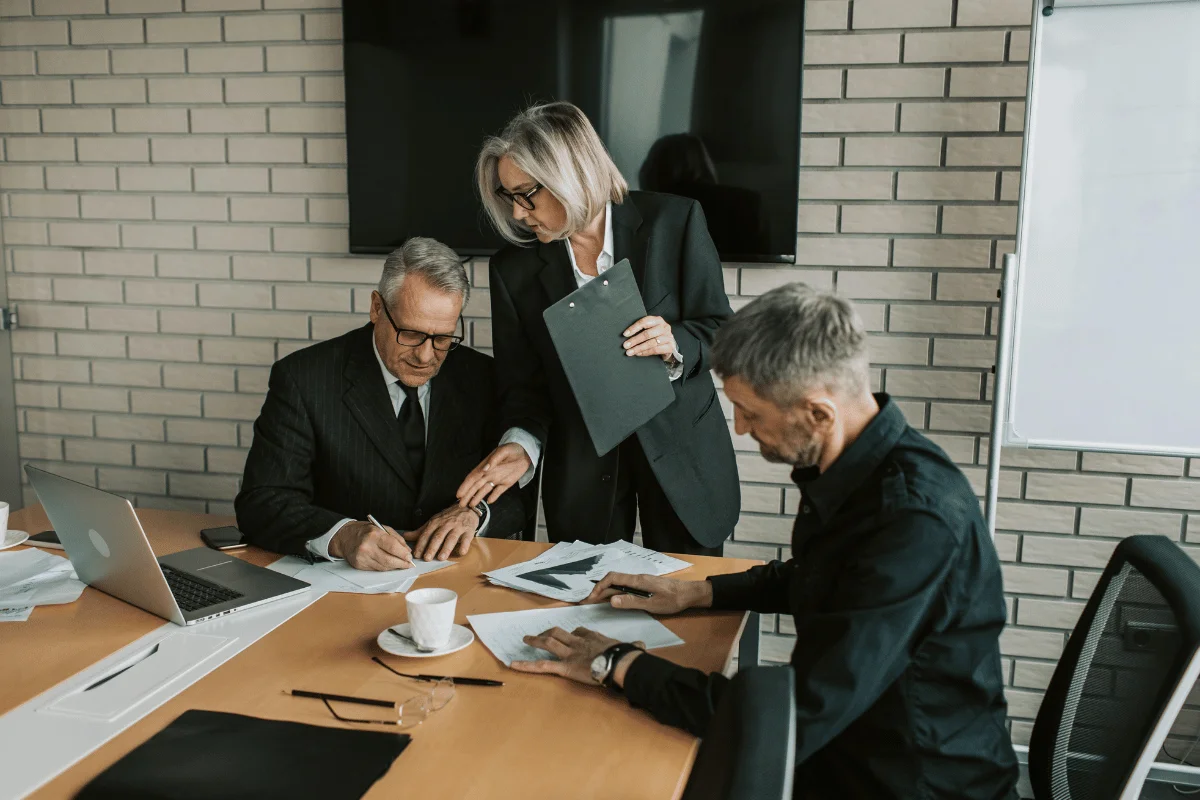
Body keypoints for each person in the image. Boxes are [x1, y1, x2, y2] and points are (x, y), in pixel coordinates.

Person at [509, 283, 1020, 799]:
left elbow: (799, 713)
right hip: (853, 746)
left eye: (751, 412)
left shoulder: (913, 519)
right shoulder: (860, 464)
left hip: (910, 781)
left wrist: (616, 663)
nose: (739, 428)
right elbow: (825, 574)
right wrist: (698, 592)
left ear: (819, 414)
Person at [457, 102, 739, 556]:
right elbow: (524, 388)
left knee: (692, 608)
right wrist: (521, 446)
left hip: (684, 462)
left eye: (527, 193)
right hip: (586, 477)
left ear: (569, 172)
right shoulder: (514, 270)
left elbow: (722, 330)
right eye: (509, 197)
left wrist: (676, 342)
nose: (517, 214)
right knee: (589, 608)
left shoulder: (675, 221)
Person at [236, 238, 533, 570]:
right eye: (410, 334)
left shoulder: (482, 376)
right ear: (377, 308)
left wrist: (473, 514)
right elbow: (262, 502)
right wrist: (342, 536)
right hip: (342, 582)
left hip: (457, 577)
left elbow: (515, 495)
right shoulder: (303, 378)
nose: (425, 356)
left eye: (443, 339)